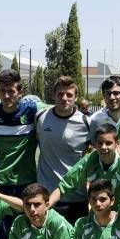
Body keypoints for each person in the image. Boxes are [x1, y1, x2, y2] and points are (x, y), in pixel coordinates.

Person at [0, 69, 40, 239]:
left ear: (20, 91)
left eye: (11, 91)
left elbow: (55, 108)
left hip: (27, 183)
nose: (6, 96)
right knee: (2, 232)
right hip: (0, 182)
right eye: (2, 91)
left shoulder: (32, 110)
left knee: (27, 230)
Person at [35, 75, 91, 223]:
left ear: (76, 97)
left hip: (77, 196)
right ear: (54, 95)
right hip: (47, 196)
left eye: (69, 94)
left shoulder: (86, 122)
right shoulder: (40, 117)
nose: (64, 98)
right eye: (60, 94)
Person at [49, 124, 120, 208]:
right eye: (100, 143)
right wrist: (45, 208)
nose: (103, 147)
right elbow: (64, 186)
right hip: (97, 214)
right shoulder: (89, 160)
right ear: (95, 144)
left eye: (108, 143)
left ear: (117, 143)